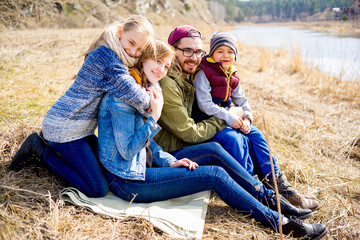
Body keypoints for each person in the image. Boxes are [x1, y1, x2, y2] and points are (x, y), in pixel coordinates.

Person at [98, 40, 327, 239]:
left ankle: (274, 200)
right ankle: (281, 223)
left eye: (166, 66)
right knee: (214, 175)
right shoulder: (122, 98)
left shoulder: (145, 88)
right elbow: (127, 151)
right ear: (144, 60)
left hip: (143, 166)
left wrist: (168, 161)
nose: (161, 70)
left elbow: (149, 144)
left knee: (213, 149)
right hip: (128, 181)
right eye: (157, 62)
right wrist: (154, 118)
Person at [154, 25, 319, 211]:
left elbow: (231, 97)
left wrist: (243, 117)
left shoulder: (191, 74)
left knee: (250, 138)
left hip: (194, 137)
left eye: (198, 51)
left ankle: (281, 189)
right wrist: (227, 117)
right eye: (187, 51)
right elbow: (188, 132)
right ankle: (259, 194)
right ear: (172, 50)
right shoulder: (168, 82)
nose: (194, 57)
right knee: (232, 140)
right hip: (174, 150)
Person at [9, 15, 155, 197]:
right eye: (131, 43)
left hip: (78, 129)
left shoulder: (112, 55)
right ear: (120, 33)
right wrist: (156, 101)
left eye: (140, 50)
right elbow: (140, 99)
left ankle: (55, 150)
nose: (133, 52)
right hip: (64, 129)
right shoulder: (108, 60)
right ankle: (39, 150)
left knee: (105, 168)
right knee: (97, 188)